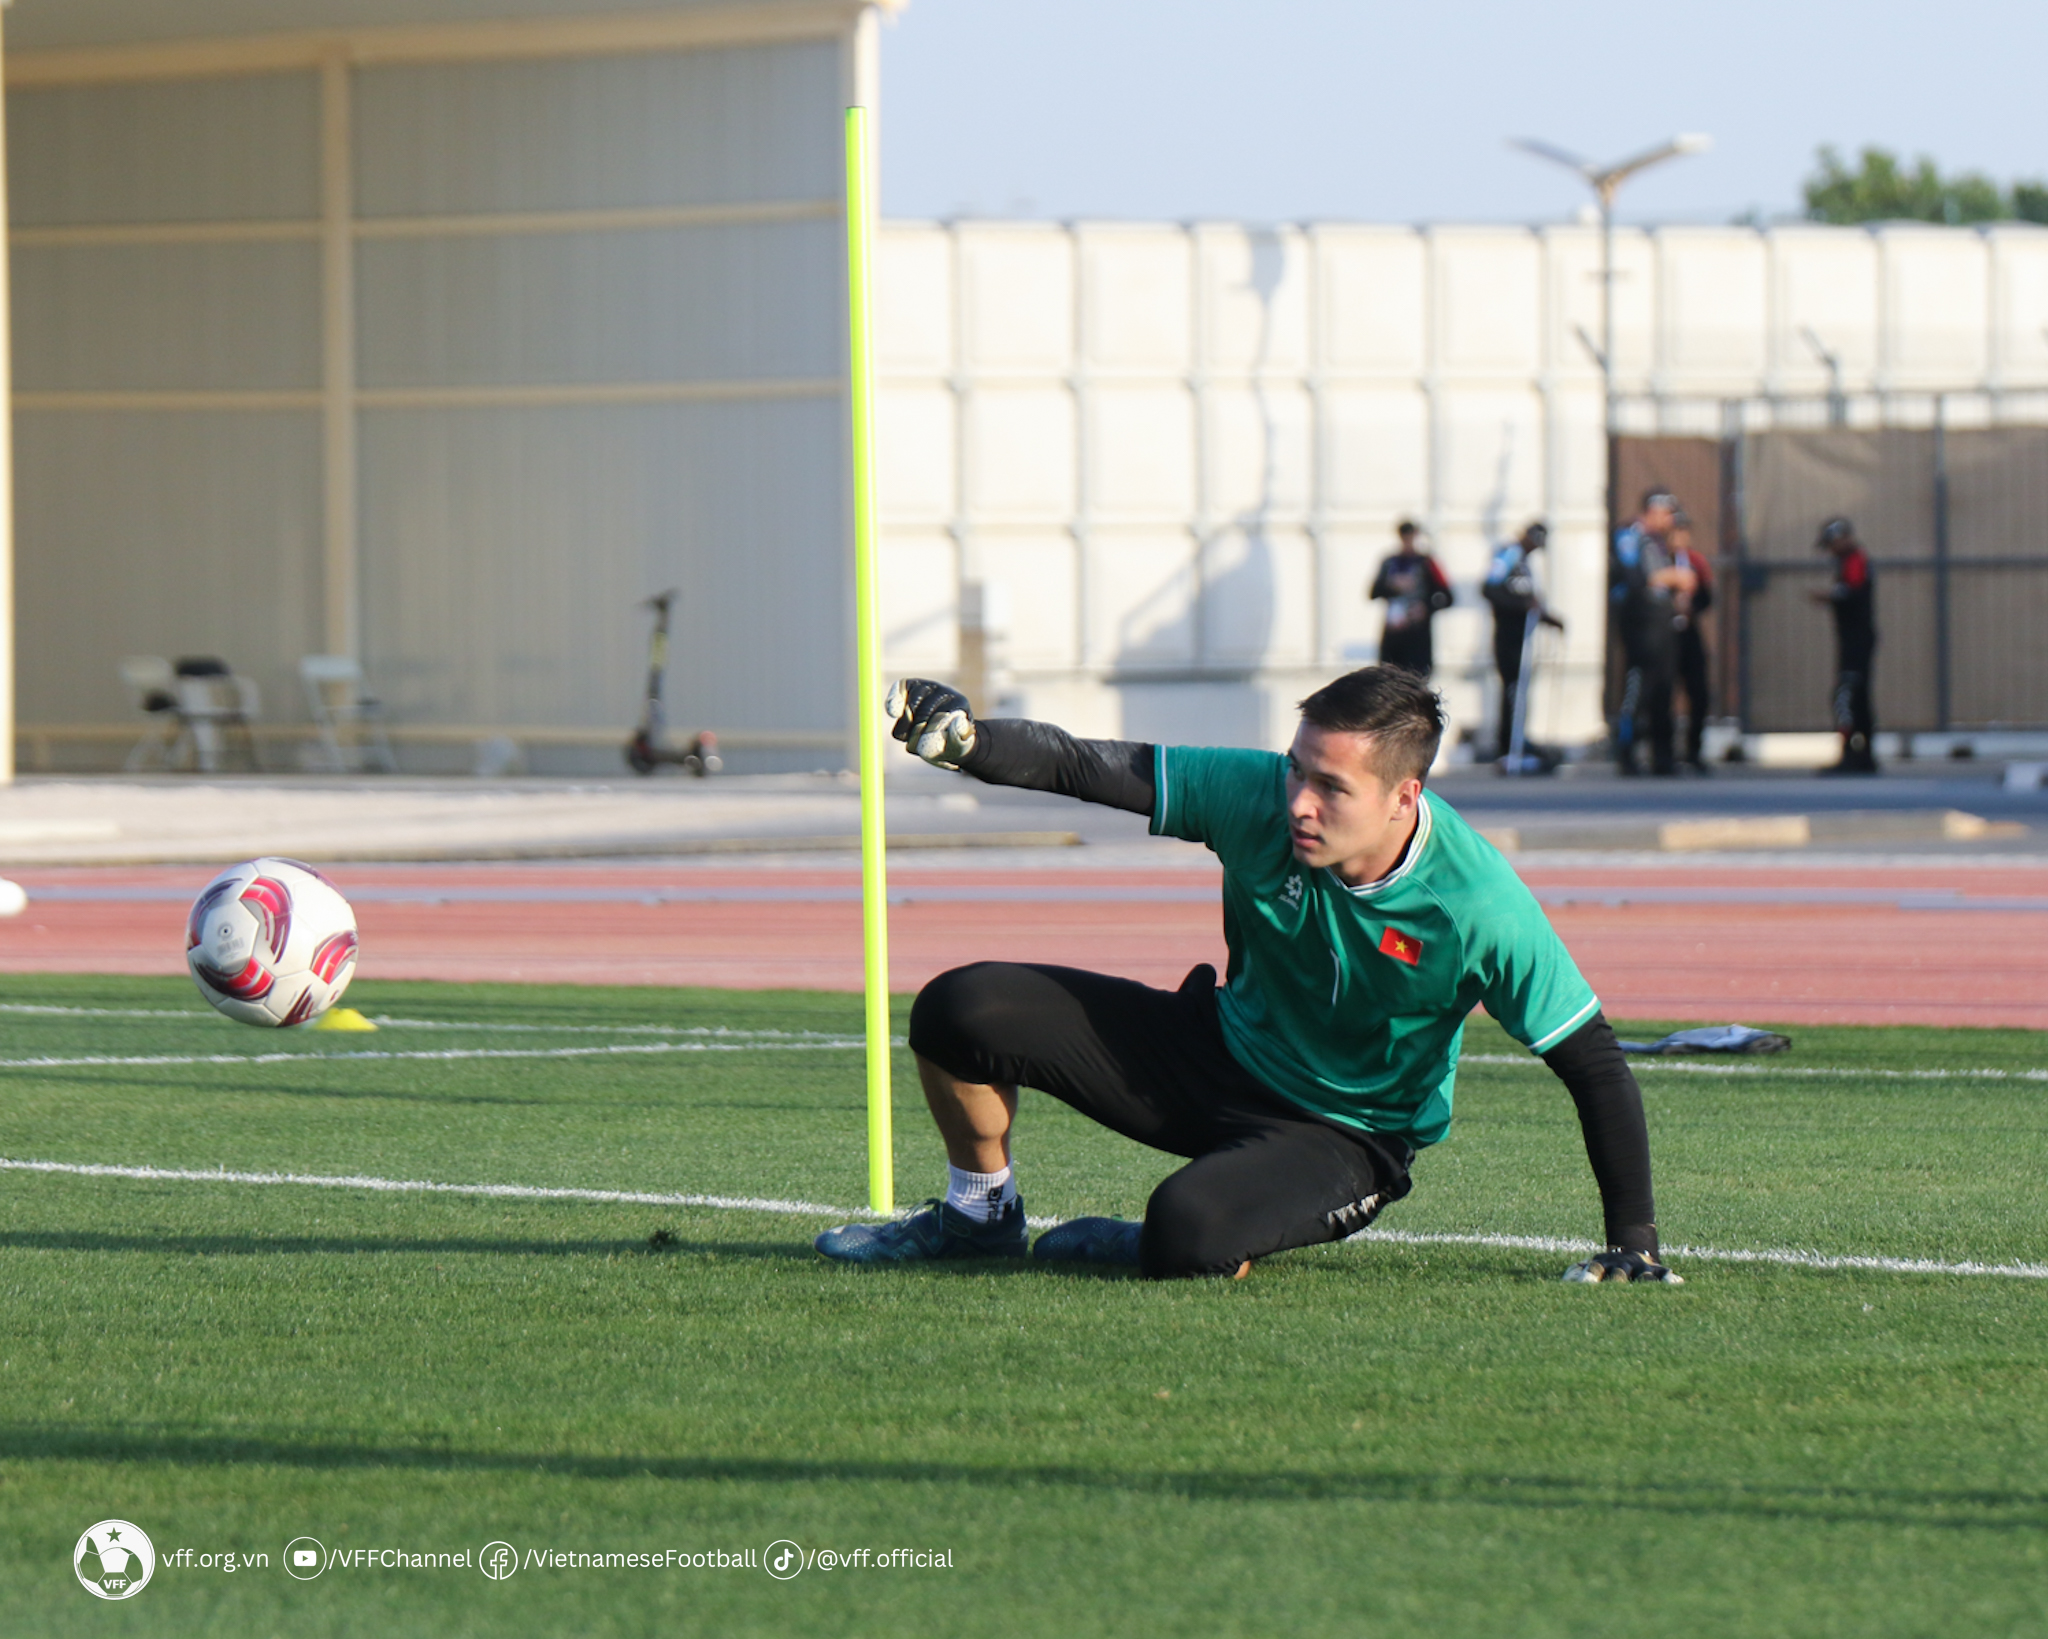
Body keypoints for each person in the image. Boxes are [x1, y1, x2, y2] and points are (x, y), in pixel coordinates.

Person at [814, 669, 1680, 1287]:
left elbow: (1593, 1063)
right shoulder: (1261, 794)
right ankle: (979, 1218)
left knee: (1188, 1231)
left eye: (1331, 786)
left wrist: (1632, 1243)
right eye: (1297, 767)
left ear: (1404, 796)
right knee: (963, 1006)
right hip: (1220, 1050)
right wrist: (970, 742)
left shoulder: (1478, 904)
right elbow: (1089, 765)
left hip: (1346, 1133)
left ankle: (1150, 1238)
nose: (1298, 799)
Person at [1608, 490, 1695, 776]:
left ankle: (1663, 756)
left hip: (1661, 619)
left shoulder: (1659, 542)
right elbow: (1634, 576)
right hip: (1639, 618)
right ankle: (1627, 750)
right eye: (1667, 514)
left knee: (1664, 686)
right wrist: (1669, 577)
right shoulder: (1629, 534)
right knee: (1639, 683)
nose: (1670, 521)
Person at [1482, 521, 1565, 760]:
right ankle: (1509, 742)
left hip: (1522, 636)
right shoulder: (1509, 554)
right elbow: (1490, 589)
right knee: (1512, 688)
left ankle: (1517, 737)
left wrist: (1548, 618)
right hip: (1508, 635)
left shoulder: (1525, 563)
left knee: (1519, 689)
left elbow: (1530, 601)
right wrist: (1521, 606)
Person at [1810, 516, 1878, 774]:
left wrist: (1829, 596)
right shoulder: (1851, 561)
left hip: (1856, 640)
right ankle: (1864, 755)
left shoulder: (1855, 560)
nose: (1830, 551)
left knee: (1845, 696)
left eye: (1831, 544)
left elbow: (1853, 592)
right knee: (1858, 697)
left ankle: (1852, 754)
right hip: (1854, 638)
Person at [1370, 521, 1454, 677]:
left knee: (1417, 677)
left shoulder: (1427, 563)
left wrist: (1425, 608)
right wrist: (1392, 586)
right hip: (1394, 636)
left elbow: (1447, 596)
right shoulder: (1389, 563)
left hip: (1418, 637)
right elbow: (1373, 592)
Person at [1668, 513, 1715, 773]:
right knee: (1663, 691)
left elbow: (1707, 596)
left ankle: (1694, 750)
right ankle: (1663, 750)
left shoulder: (1695, 561)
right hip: (1666, 633)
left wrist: (1692, 608)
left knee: (1698, 691)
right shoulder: (1660, 559)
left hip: (1689, 630)